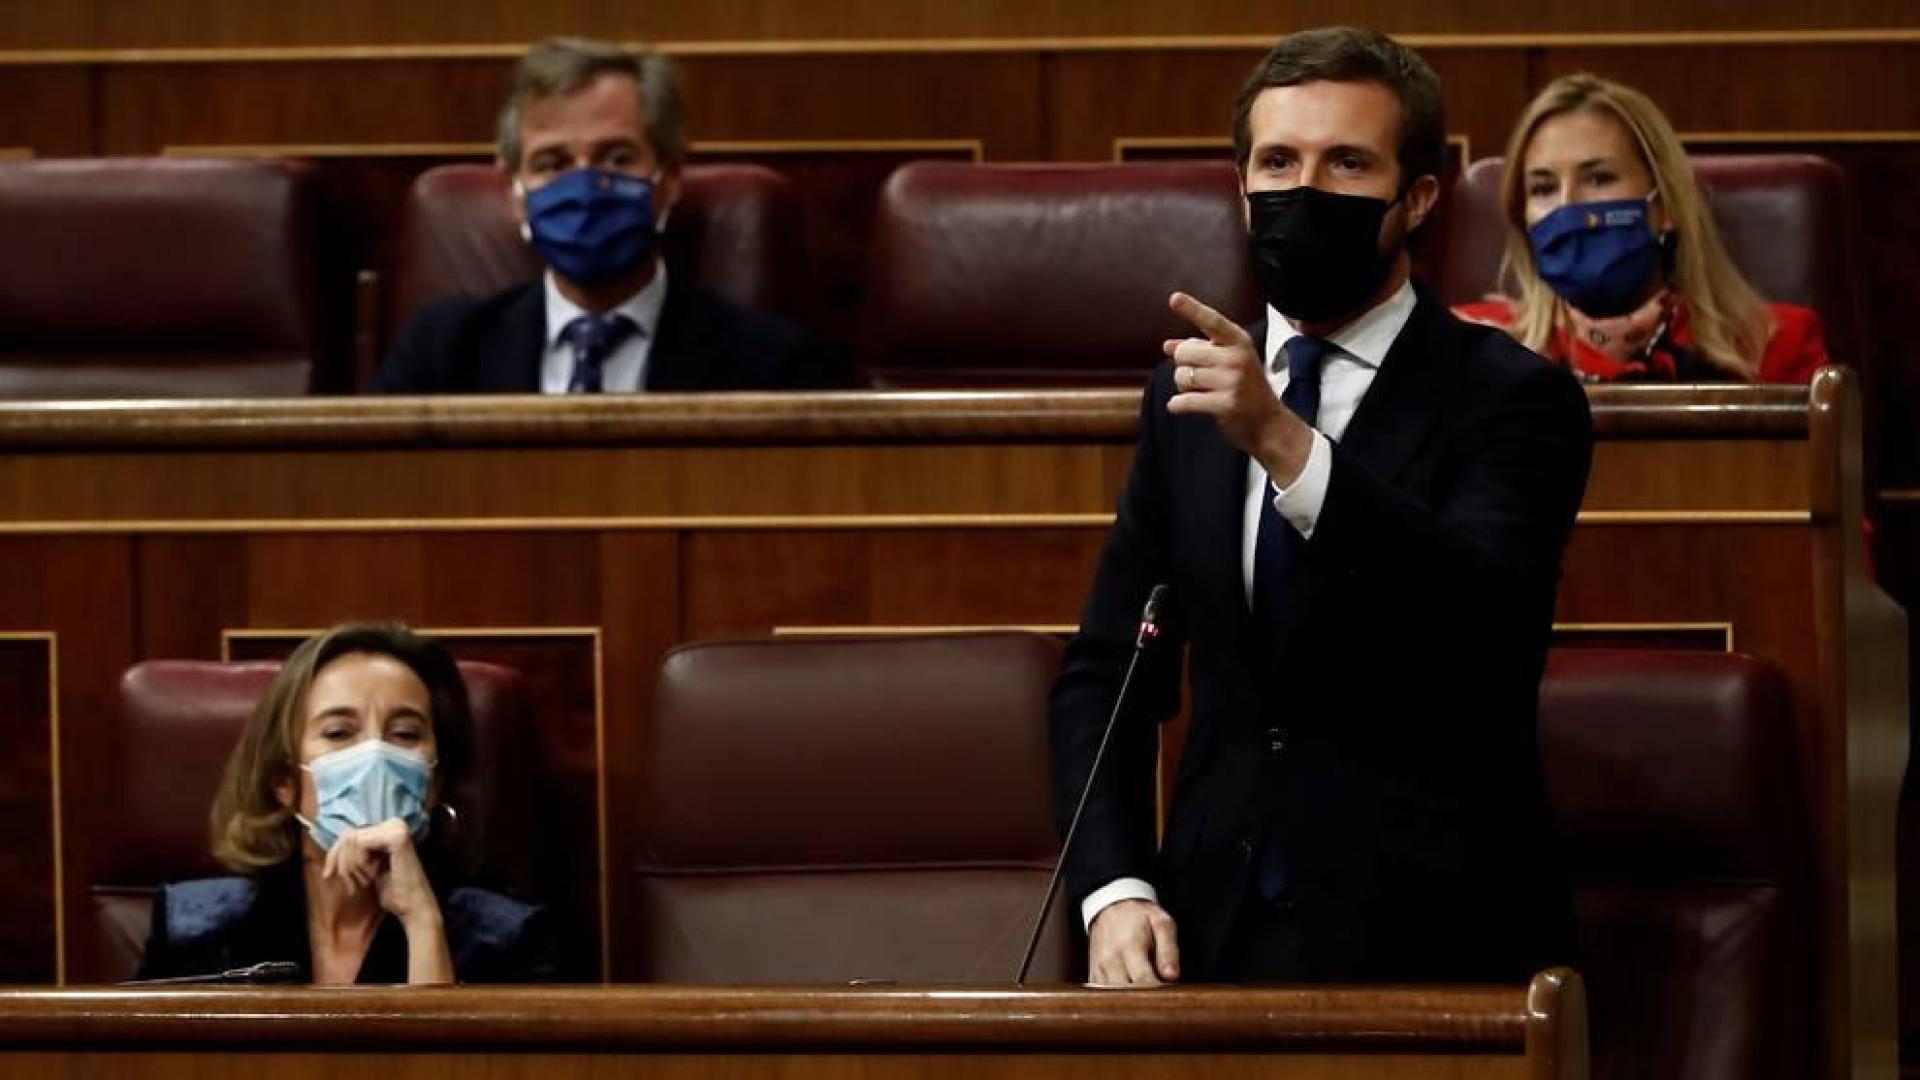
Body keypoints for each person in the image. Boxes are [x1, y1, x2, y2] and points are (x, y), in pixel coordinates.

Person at [1050, 27, 1592, 987]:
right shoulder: (1184, 397)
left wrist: (1289, 448)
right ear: (1242, 185)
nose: (1305, 191)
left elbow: (1480, 629)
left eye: (1347, 163)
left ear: (1416, 199)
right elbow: (1108, 670)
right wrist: (1116, 887)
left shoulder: (1512, 398)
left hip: (1438, 942)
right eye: (1278, 162)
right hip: (1210, 944)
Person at [379, 37, 829, 393]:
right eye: (552, 164)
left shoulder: (768, 362)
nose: (586, 188)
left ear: (669, 177)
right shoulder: (440, 353)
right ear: (515, 191)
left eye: (616, 159)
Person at [137, 623, 557, 984]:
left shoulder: (508, 937)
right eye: (338, 733)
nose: (374, 755)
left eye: (405, 735)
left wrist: (422, 925)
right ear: (283, 781)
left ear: (434, 781)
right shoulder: (193, 926)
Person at [1455, 73, 1829, 383]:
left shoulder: (1775, 345)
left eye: (1599, 178)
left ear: (1664, 204)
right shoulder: (1470, 346)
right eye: (1543, 188)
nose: (1568, 207)